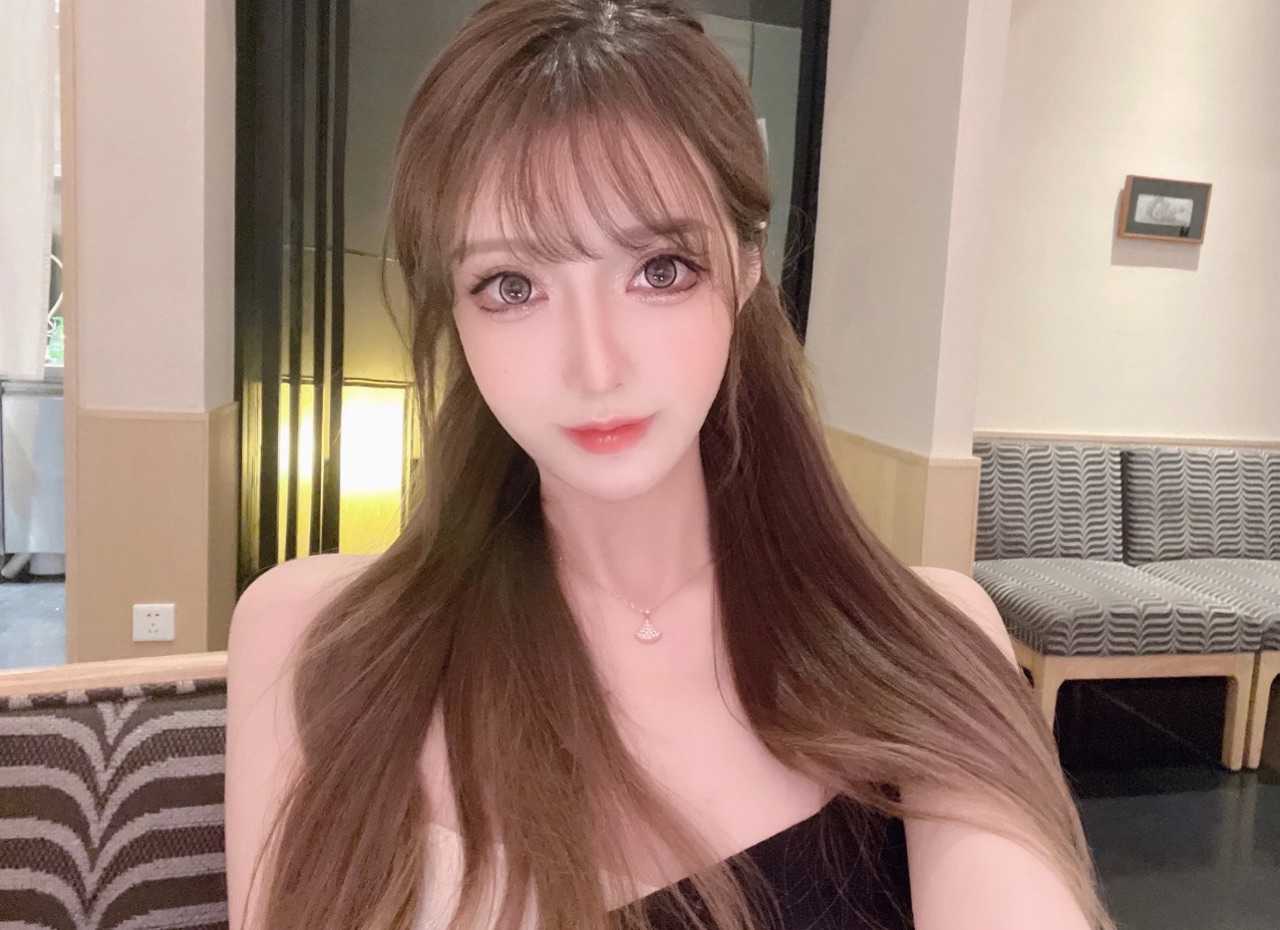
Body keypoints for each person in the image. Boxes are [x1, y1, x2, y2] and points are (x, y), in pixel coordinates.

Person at [224, 2, 1116, 929]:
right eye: (512, 286)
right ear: (453, 306)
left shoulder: (923, 644)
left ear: (747, 264)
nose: (595, 366)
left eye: (659, 269)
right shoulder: (313, 642)